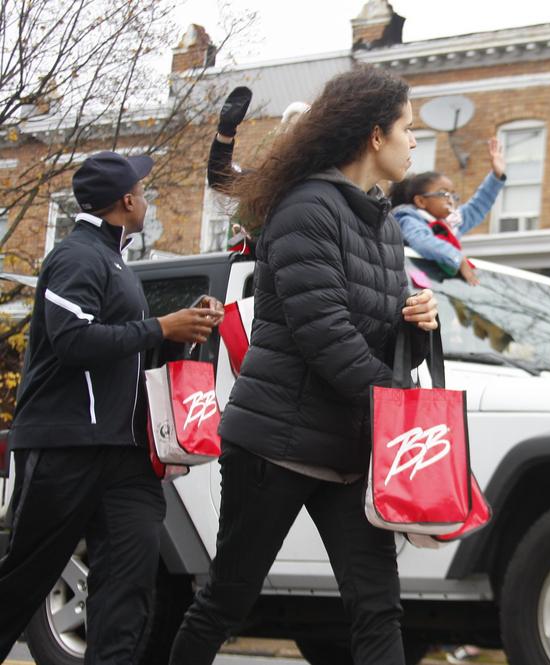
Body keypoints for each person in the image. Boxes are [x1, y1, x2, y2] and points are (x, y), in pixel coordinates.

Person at [168, 66, 439, 665]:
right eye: (407, 128)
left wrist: (418, 325)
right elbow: (327, 337)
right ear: (374, 135)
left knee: (377, 607)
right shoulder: (303, 210)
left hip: (346, 447)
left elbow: (384, 340)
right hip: (276, 446)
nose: (414, 141)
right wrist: (395, 409)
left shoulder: (385, 226)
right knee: (227, 600)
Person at [0, 151, 224, 664]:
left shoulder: (116, 261)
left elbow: (129, 353)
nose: (147, 199)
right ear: (126, 201)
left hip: (125, 455)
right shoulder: (76, 256)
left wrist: (180, 333)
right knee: (27, 576)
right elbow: (73, 342)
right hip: (66, 447)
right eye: (143, 192)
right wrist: (160, 327)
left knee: (128, 582)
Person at [207, 87, 311, 256]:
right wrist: (225, 133)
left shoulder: (323, 187)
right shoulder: (269, 182)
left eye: (301, 130)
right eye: (290, 128)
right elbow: (220, 178)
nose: (293, 136)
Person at [390, 138, 506, 286]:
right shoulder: (409, 219)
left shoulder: (449, 222)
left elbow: (476, 207)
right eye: (443, 194)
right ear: (421, 201)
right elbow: (422, 241)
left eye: (453, 195)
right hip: (408, 285)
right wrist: (456, 257)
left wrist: (496, 177)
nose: (451, 200)